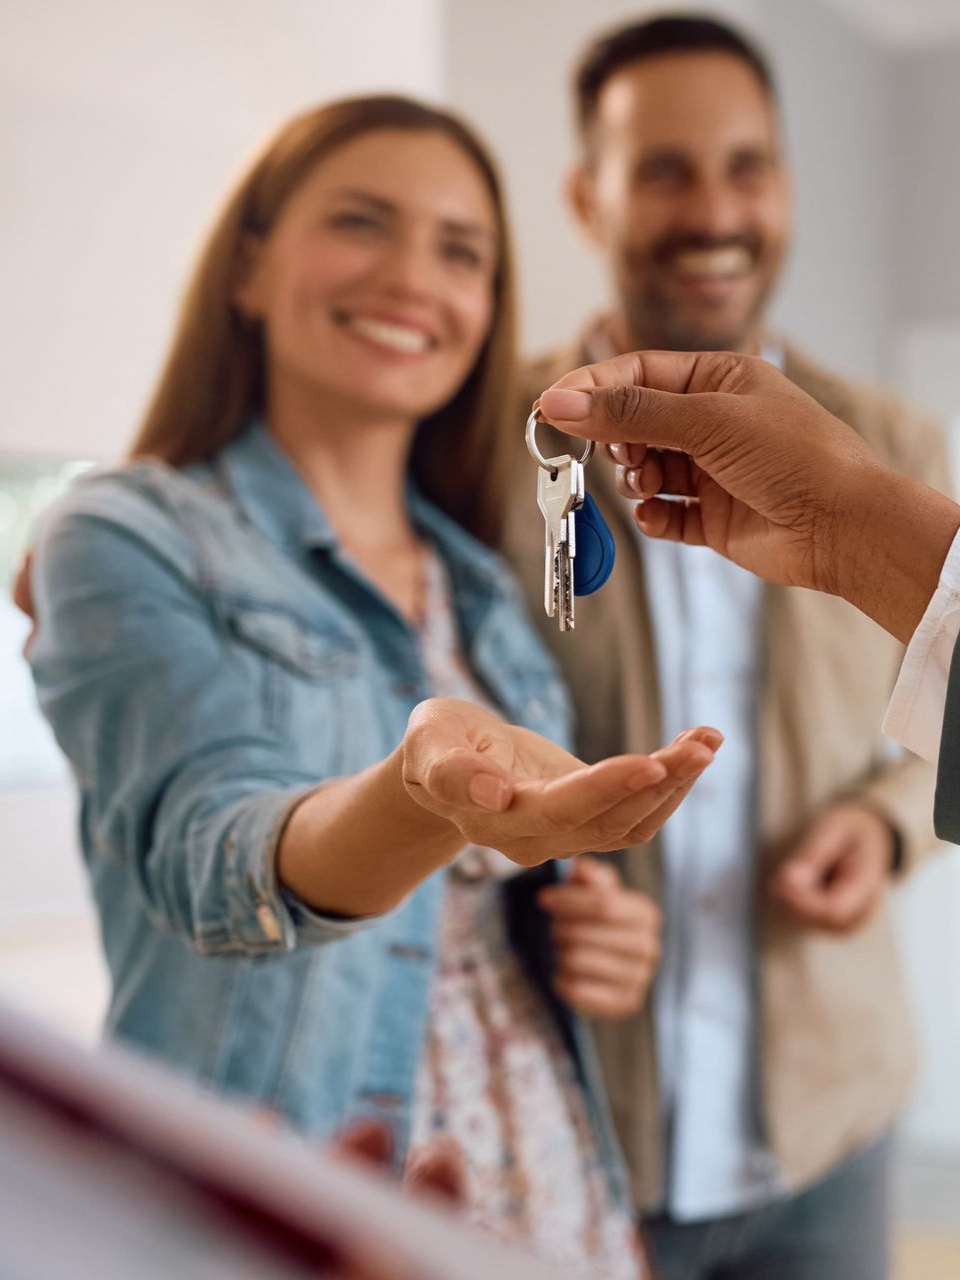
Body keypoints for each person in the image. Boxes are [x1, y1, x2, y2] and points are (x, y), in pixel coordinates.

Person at [24, 95, 722, 1277]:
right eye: (361, 221)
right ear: (250, 267)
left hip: (556, 1190)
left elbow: (495, 912)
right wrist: (417, 797)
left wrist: (595, 929)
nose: (412, 278)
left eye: (461, 251)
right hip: (298, 1206)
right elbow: (208, 849)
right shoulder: (121, 534)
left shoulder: (480, 580)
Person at [500, 14, 952, 1280]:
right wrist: (536, 888)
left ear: (787, 184)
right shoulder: (489, 439)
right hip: (586, 1121)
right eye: (664, 170)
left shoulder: (895, 448)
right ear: (585, 197)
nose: (714, 211)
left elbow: (934, 712)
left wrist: (882, 828)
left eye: (747, 165)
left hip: (832, 1122)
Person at [537, 349, 960, 841]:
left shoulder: (904, 433)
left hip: (802, 877)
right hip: (588, 876)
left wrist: (886, 824)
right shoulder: (487, 417)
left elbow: (934, 715)